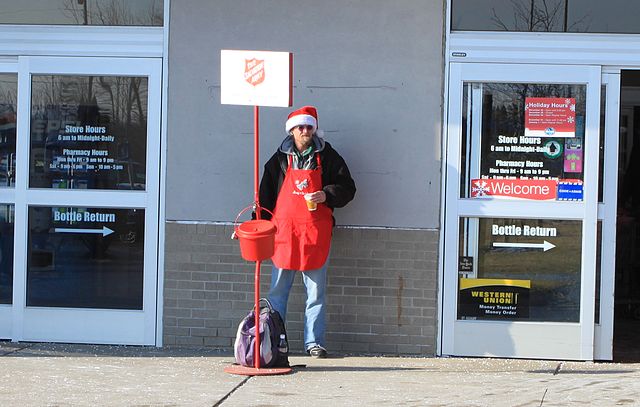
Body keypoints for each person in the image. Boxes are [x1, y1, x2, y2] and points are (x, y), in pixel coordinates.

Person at [258, 105, 356, 358]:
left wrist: (326, 194)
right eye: (300, 127)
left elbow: (348, 187)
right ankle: (274, 340)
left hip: (315, 233)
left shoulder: (329, 156)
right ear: (291, 131)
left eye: (309, 126)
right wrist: (257, 227)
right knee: (278, 292)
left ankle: (314, 343)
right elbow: (265, 198)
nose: (305, 131)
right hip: (284, 234)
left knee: (315, 292)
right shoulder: (278, 160)